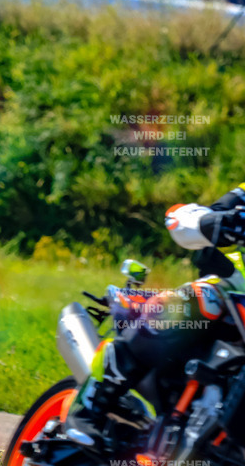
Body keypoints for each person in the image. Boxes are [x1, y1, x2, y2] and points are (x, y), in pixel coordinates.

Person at [65, 184, 245, 447]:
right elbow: (179, 218)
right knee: (200, 301)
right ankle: (91, 405)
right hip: (231, 300)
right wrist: (213, 223)